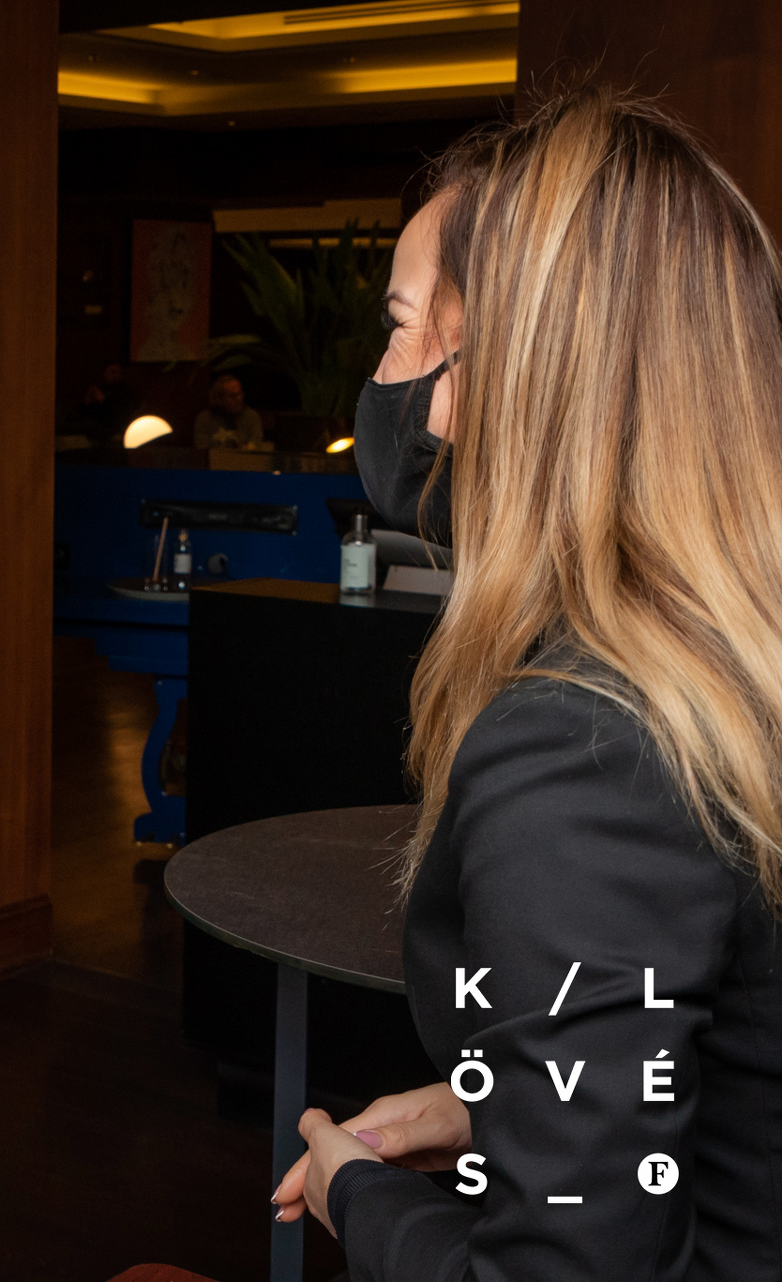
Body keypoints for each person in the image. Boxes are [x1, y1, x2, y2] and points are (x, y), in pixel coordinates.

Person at [273, 86, 782, 1278]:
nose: (385, 376)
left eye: (402, 329)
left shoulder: (581, 743)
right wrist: (505, 1095)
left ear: (497, 375)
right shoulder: (728, 676)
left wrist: (358, 1196)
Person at [190, 374, 265, 450]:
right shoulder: (205, 420)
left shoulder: (251, 417)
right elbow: (202, 450)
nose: (238, 399)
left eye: (240, 393)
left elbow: (255, 445)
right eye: (232, 396)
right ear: (219, 399)